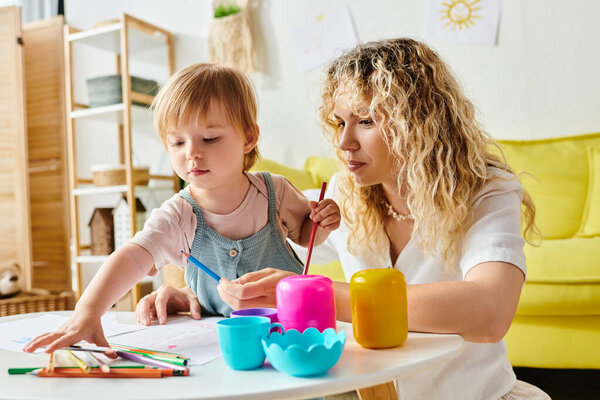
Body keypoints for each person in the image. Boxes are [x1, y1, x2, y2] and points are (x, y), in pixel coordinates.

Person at [136, 39, 551, 399]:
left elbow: (489, 312)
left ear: (419, 122)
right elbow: (246, 238)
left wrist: (310, 293)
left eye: (366, 120)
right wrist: (192, 294)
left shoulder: (486, 190)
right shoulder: (341, 194)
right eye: (340, 122)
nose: (344, 142)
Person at [23, 63, 340, 354]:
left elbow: (306, 235)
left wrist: (322, 222)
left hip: (293, 343)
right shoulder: (178, 214)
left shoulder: (275, 191)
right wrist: (88, 312)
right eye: (177, 143)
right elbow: (133, 256)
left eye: (210, 138)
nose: (192, 154)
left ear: (248, 137)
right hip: (222, 351)